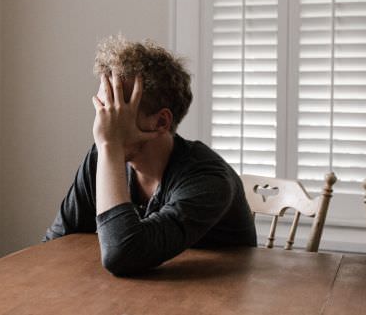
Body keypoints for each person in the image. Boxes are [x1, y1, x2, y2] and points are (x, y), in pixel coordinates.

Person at [43, 35, 257, 276]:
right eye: (102, 108)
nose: (102, 123)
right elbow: (55, 244)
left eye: (116, 109)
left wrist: (110, 146)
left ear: (161, 122)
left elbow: (123, 254)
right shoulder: (102, 157)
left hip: (217, 299)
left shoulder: (208, 179)